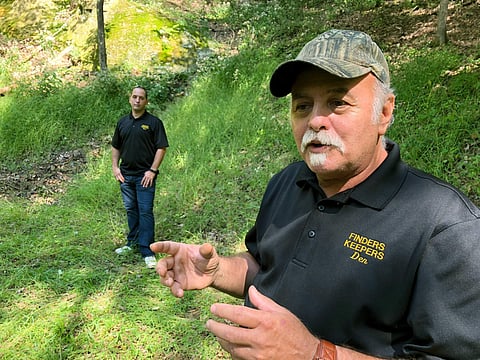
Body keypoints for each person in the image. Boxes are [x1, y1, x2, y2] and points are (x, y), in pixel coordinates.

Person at [150, 29, 480, 359]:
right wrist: (217, 270)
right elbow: (267, 269)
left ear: (384, 112)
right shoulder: (287, 182)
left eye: (338, 103)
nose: (316, 120)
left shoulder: (445, 227)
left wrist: (314, 353)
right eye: (303, 105)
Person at [112, 86, 169, 269]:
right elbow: (116, 147)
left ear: (146, 101)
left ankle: (147, 250)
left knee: (145, 211)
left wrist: (152, 170)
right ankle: (132, 243)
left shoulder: (154, 123)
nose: (137, 100)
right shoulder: (122, 123)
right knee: (131, 210)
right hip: (125, 176)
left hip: (145, 176)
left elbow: (161, 148)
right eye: (134, 97)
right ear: (130, 99)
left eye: (141, 98)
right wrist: (115, 168)